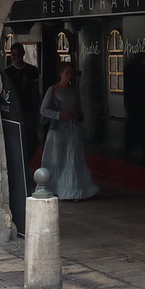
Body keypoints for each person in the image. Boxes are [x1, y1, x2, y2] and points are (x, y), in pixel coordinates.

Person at [38, 65, 98, 201]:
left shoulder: (74, 91)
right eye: (67, 73)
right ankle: (54, 187)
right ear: (60, 74)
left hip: (72, 128)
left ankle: (73, 189)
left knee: (71, 159)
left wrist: (75, 114)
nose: (69, 76)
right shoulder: (52, 90)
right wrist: (59, 115)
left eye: (71, 74)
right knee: (56, 159)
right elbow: (44, 110)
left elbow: (79, 108)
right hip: (57, 130)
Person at [2, 42, 42, 172]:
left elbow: (36, 91)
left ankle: (27, 161)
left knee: (31, 139)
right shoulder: (8, 73)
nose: (17, 57)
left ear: (23, 54)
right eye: (14, 55)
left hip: (29, 109)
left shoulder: (32, 70)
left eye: (19, 54)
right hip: (14, 111)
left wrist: (36, 109)